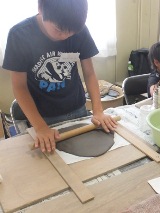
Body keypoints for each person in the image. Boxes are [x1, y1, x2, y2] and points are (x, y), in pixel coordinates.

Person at [2, 0, 117, 153]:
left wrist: (98, 110)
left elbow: (89, 73)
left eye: (71, 32)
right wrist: (41, 127)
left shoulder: (79, 29)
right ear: (40, 8)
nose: (65, 36)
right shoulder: (20, 35)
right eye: (58, 30)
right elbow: (19, 87)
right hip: (43, 116)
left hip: (78, 109)